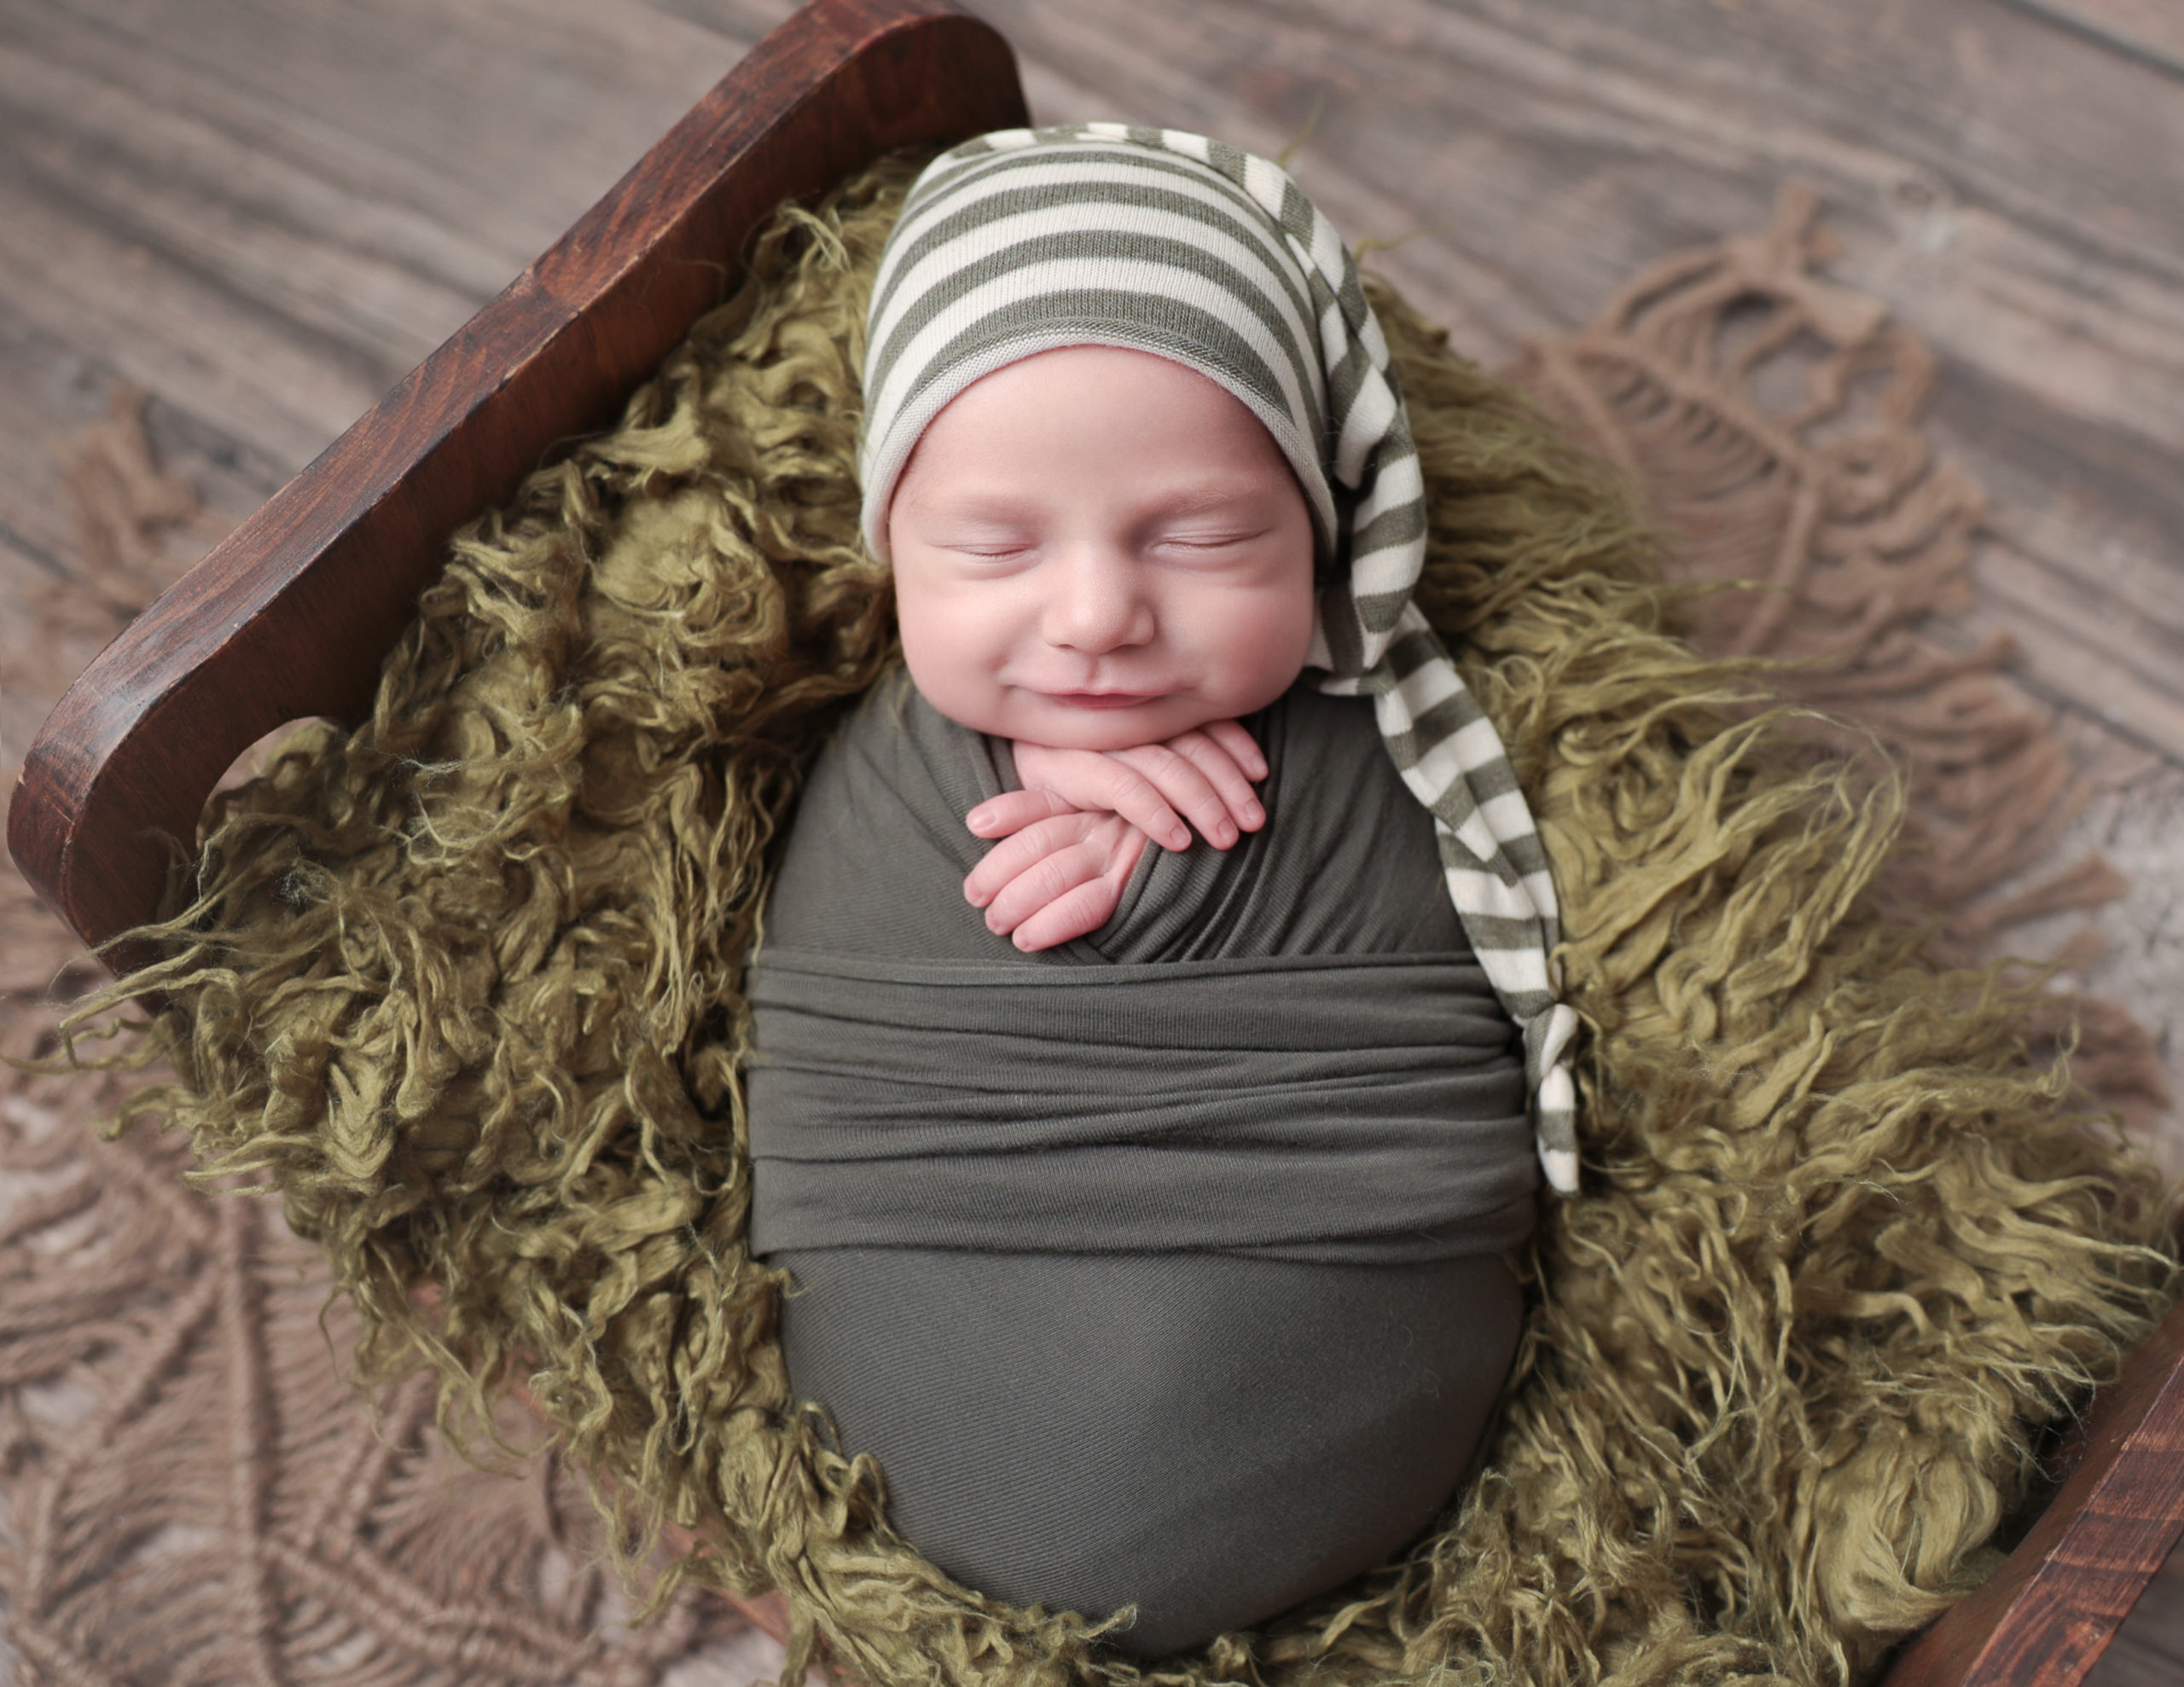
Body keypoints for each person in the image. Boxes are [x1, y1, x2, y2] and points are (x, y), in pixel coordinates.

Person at [740, 124, 1580, 1657]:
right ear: (888, 544)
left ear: (1323, 527)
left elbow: (1457, 945)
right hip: (944, 1276)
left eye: (1200, 538)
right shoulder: (879, 773)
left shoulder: (1389, 735)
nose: (1097, 617)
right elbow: (827, 975)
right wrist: (990, 801)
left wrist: (1238, 841)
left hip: (1339, 1285)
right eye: (992, 544)